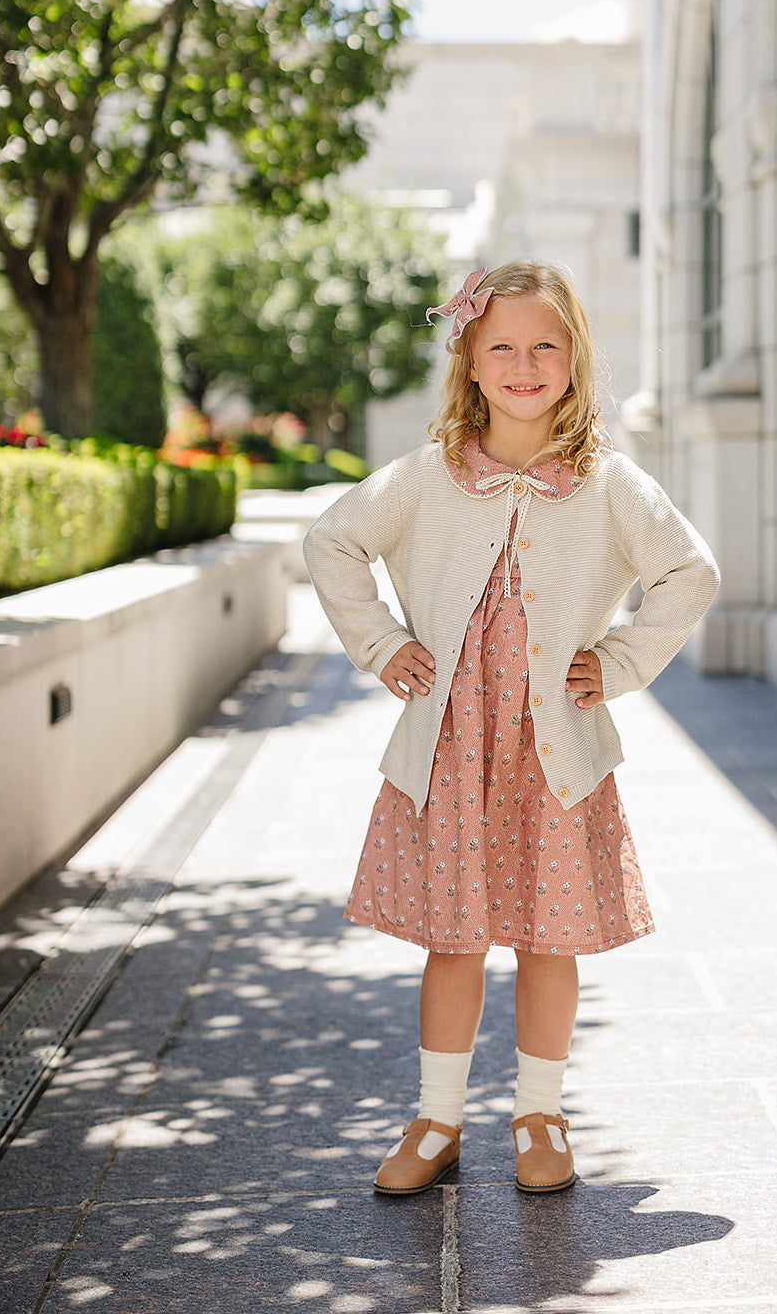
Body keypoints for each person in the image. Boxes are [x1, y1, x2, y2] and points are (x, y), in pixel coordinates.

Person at [303, 261, 719, 1197]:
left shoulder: (608, 485)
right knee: (453, 939)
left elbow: (689, 573)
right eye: (501, 346)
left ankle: (540, 1114)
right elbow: (331, 540)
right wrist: (380, 644)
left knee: (548, 935)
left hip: (553, 753)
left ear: (573, 357)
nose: (524, 363)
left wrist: (616, 663)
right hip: (451, 749)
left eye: (544, 344)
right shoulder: (427, 477)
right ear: (471, 362)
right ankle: (436, 1118)